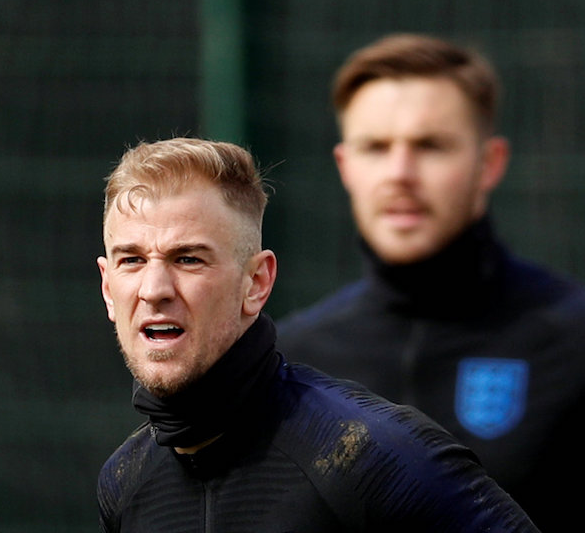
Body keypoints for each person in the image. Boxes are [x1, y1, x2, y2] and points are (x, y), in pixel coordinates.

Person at [277, 34, 585, 532]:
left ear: (489, 163)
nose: (400, 173)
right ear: (345, 166)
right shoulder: (295, 359)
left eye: (430, 146)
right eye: (376, 147)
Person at [95, 137, 541, 532]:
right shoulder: (123, 483)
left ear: (256, 283)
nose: (154, 289)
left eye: (188, 259)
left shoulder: (373, 455)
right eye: (131, 260)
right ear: (108, 288)